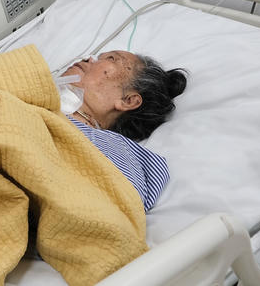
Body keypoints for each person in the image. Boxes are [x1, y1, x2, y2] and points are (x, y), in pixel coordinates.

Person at [59, 50, 188, 210]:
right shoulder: (35, 97)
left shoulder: (116, 153)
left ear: (128, 100)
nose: (88, 58)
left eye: (112, 58)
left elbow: (111, 210)